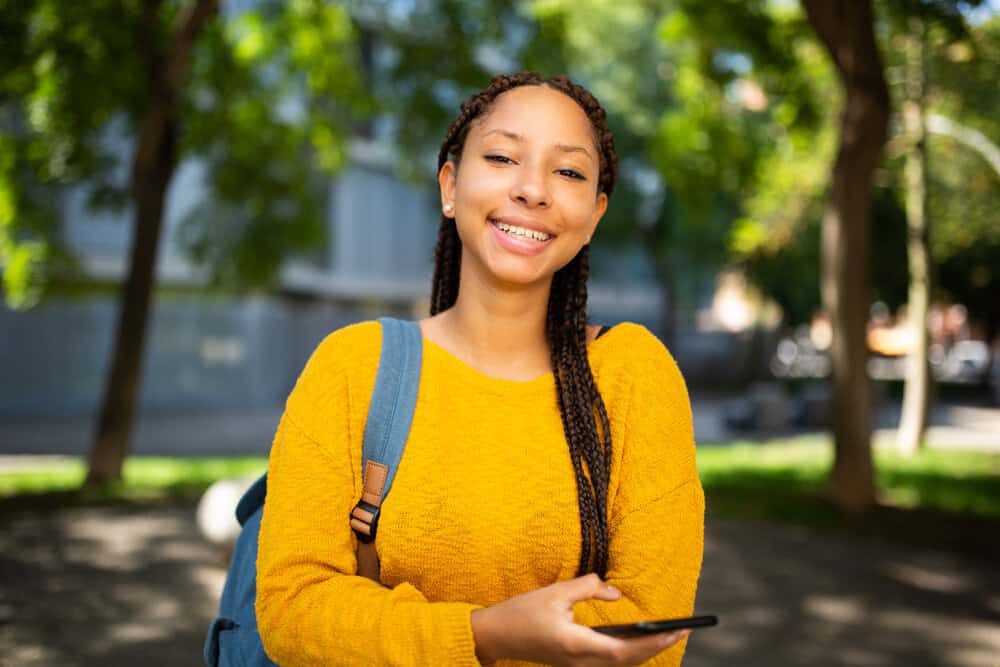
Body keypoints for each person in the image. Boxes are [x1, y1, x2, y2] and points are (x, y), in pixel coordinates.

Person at [256, 72, 705, 666]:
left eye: (567, 171)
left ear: (595, 214)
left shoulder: (633, 375)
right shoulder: (352, 366)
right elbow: (293, 612)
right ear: (450, 184)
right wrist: (485, 633)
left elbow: (652, 631)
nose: (533, 190)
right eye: (501, 157)